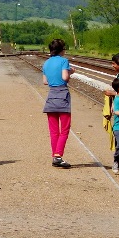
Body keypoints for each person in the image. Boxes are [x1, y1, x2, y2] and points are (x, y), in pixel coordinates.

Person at [41, 38, 74, 168]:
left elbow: (45, 81)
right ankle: (58, 155)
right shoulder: (64, 61)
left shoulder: (46, 63)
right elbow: (65, 77)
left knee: (53, 131)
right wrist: (70, 72)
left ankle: (55, 155)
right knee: (64, 129)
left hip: (51, 97)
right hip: (62, 95)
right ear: (61, 49)